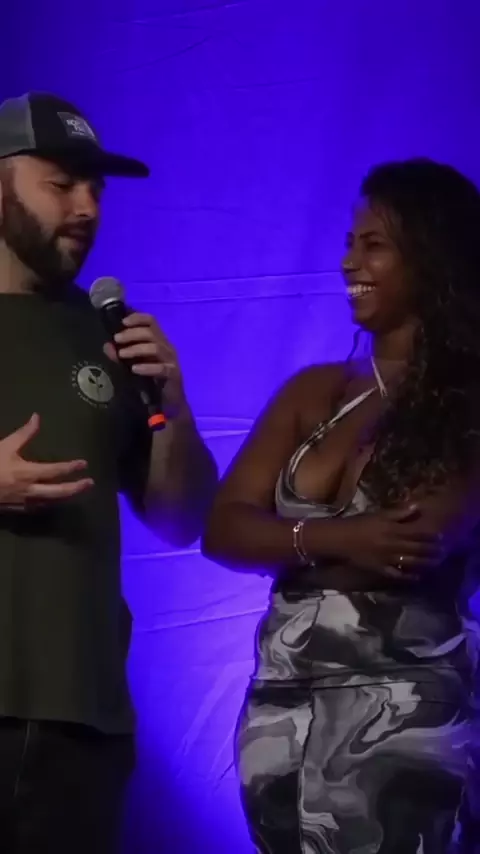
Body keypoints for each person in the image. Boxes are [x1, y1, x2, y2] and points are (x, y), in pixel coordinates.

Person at [202, 158, 480, 853]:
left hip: (403, 712)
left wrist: (283, 540)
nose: (349, 262)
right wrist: (343, 538)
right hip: (281, 707)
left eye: (373, 244)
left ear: (431, 256)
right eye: (350, 243)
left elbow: (408, 548)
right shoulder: (312, 392)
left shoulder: (468, 402)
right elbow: (222, 530)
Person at [0, 92, 217, 854]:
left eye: (96, 189)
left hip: (83, 720)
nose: (87, 208)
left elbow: (182, 519)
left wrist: (174, 407)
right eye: (61, 185)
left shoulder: (107, 335)